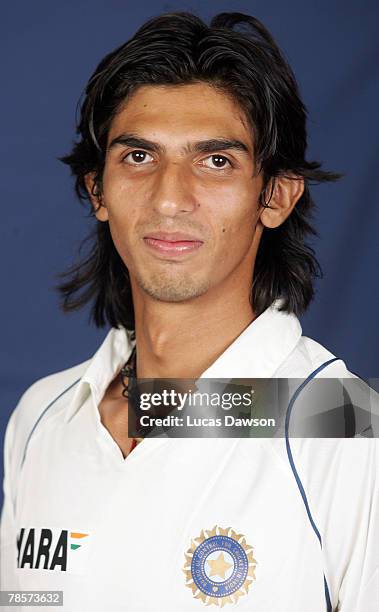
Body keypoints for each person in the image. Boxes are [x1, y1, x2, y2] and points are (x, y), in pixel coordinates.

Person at [0, 11, 378, 612]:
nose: (170, 197)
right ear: (98, 190)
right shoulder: (41, 418)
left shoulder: (352, 429)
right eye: (139, 157)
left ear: (275, 196)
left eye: (216, 161)